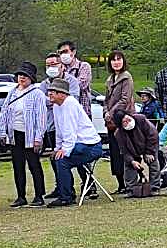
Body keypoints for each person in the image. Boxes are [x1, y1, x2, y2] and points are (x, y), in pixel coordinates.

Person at [42, 77, 108, 206]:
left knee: (62, 161)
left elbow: (70, 131)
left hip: (91, 146)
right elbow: (59, 131)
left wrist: (65, 150)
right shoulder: (56, 106)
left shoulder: (70, 104)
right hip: (78, 144)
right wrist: (57, 148)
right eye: (49, 91)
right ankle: (66, 191)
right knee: (56, 157)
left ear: (62, 94)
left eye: (53, 92)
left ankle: (66, 197)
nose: (49, 94)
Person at [0, 61, 49, 208]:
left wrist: (38, 137)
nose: (22, 77)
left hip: (30, 135)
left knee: (34, 165)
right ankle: (21, 196)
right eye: (20, 75)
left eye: (25, 75)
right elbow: (4, 112)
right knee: (18, 166)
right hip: (15, 134)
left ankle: (39, 195)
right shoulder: (12, 92)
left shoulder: (37, 94)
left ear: (31, 78)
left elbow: (41, 117)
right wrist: (3, 132)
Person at [102, 50, 135, 191]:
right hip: (111, 122)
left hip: (124, 119)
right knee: (114, 151)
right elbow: (106, 100)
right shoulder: (109, 79)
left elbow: (125, 99)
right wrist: (106, 112)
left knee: (126, 151)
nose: (116, 62)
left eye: (119, 59)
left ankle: (130, 183)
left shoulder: (126, 77)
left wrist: (111, 112)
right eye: (113, 59)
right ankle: (120, 183)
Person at [112, 108, 160, 194]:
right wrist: (132, 161)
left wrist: (149, 152)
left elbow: (153, 135)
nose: (128, 122)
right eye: (125, 122)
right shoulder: (118, 134)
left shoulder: (141, 119)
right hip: (132, 151)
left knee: (153, 161)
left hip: (148, 145)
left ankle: (155, 187)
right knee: (129, 165)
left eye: (128, 119)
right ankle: (131, 189)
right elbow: (124, 151)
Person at [57, 41, 92, 108]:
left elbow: (80, 85)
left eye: (65, 51)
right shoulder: (60, 69)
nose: (63, 55)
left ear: (73, 52)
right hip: (64, 109)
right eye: (60, 53)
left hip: (82, 109)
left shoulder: (83, 66)